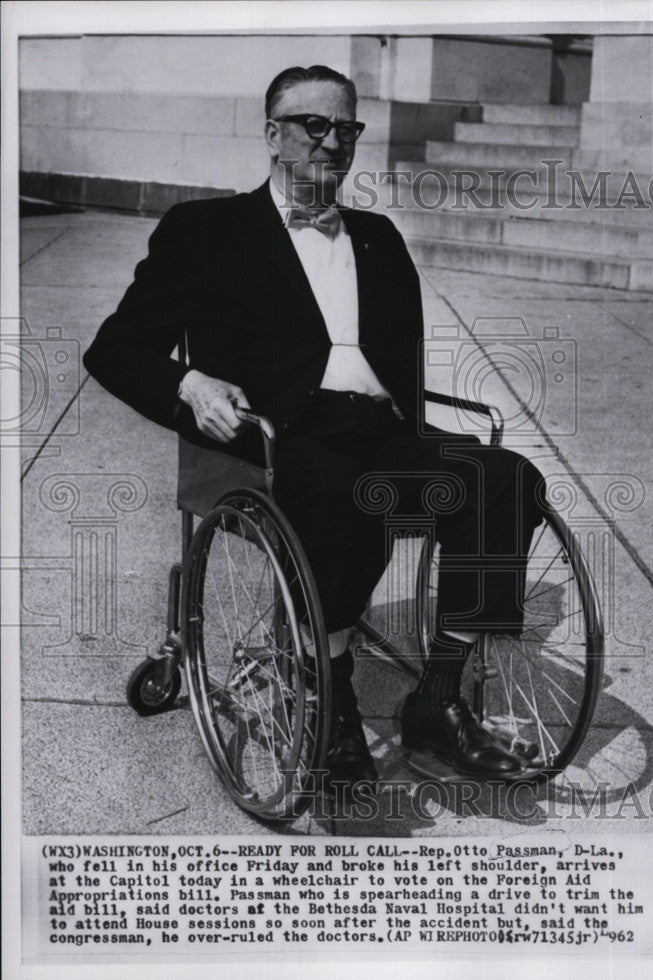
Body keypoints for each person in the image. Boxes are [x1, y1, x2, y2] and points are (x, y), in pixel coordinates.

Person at [84, 64, 545, 790]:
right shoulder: (205, 230)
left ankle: (439, 696)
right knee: (339, 496)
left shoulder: (378, 237)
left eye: (346, 128)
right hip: (272, 439)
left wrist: (410, 431)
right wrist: (188, 381)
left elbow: (398, 368)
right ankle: (331, 696)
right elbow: (113, 350)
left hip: (380, 432)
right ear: (272, 135)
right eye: (313, 125)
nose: (333, 142)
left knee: (505, 478)